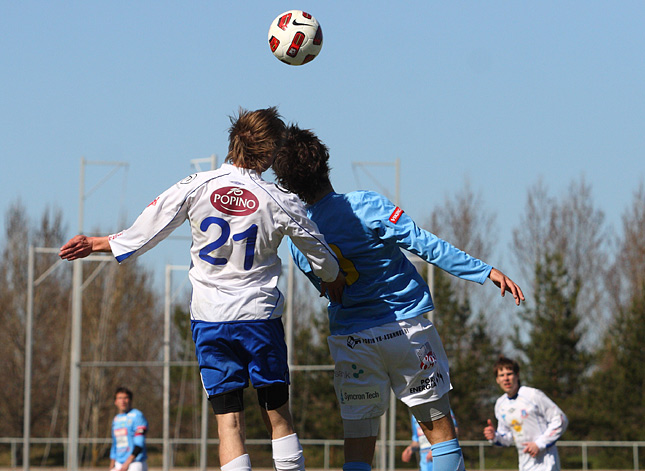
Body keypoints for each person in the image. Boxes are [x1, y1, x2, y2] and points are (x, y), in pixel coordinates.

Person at [59, 107, 345, 471]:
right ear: (270, 152)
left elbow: (148, 229)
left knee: (229, 421)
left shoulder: (196, 185)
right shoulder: (278, 199)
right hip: (259, 320)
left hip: (210, 321)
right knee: (278, 414)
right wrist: (332, 276)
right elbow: (317, 248)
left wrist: (98, 243)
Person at [271, 125, 525, 471]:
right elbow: (425, 244)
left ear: (289, 184)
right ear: (325, 162)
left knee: (358, 448)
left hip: (353, 342)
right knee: (440, 433)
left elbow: (330, 289)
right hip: (406, 332)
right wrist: (483, 271)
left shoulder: (300, 239)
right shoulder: (367, 205)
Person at [483, 357, 568, 471]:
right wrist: (495, 436)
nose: (506, 379)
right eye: (501, 375)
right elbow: (508, 437)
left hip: (546, 464)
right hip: (524, 465)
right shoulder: (500, 404)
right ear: (497, 380)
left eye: (509, 374)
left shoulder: (532, 395)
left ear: (517, 375)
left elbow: (560, 419)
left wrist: (539, 444)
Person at [110, 387, 148, 471]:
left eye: (125, 398)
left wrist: (127, 463)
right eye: (120, 398)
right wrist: (112, 464)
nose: (122, 401)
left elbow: (139, 443)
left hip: (135, 462)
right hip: (119, 462)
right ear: (115, 402)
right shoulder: (116, 419)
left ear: (130, 400)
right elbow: (115, 444)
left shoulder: (137, 416)